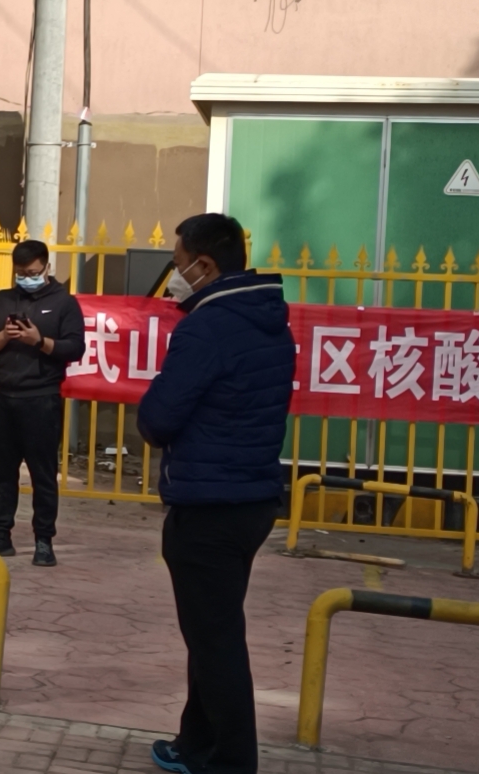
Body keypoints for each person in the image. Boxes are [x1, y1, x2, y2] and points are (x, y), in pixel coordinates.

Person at [138, 213, 294, 774]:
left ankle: (230, 761)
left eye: (177, 264)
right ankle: (194, 743)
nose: (174, 276)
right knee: (212, 632)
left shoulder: (207, 328)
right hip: (251, 499)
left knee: (216, 641)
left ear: (204, 266)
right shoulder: (269, 320)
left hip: (209, 505)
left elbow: (159, 417)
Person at [0, 240, 85, 565]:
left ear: (47, 268)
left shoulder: (64, 303)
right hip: (3, 398)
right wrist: (4, 336)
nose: (27, 278)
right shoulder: (3, 299)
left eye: (33, 272)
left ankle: (43, 541)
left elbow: (75, 348)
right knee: (2, 471)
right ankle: (1, 533)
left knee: (43, 474)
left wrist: (40, 341)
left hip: (41, 399)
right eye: (21, 273)